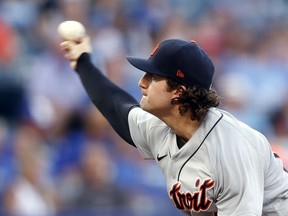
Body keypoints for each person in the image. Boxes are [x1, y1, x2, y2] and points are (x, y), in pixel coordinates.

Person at [60, 35, 288, 215]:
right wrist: (82, 63)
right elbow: (115, 104)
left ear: (179, 91)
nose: (141, 82)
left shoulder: (232, 148)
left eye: (152, 76)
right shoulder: (160, 128)